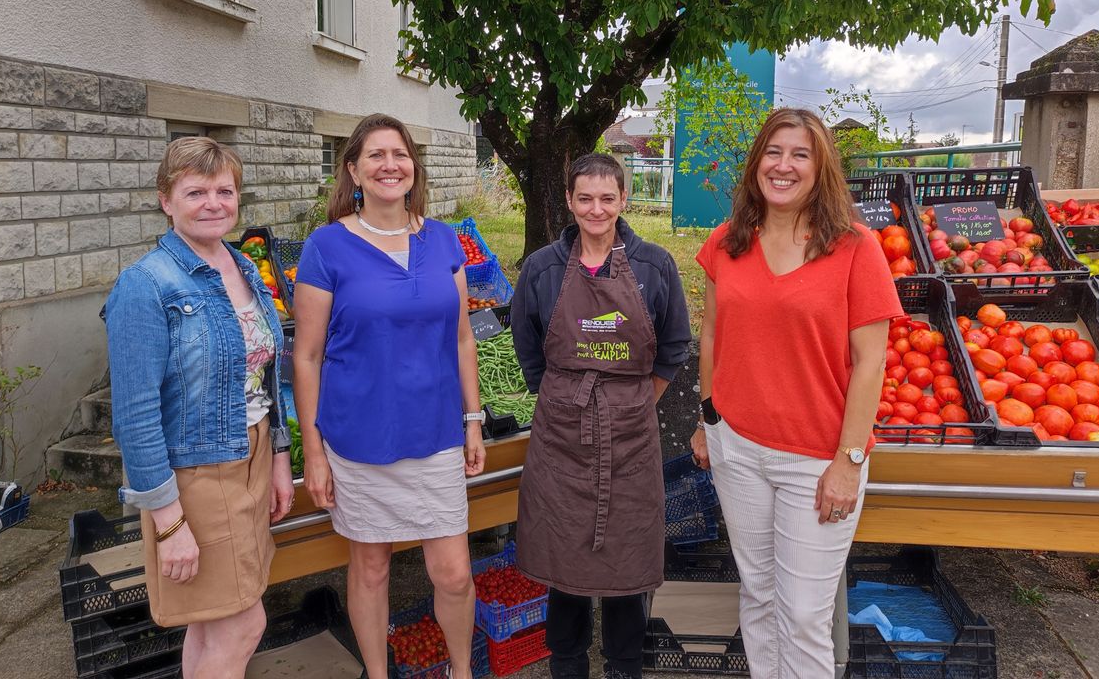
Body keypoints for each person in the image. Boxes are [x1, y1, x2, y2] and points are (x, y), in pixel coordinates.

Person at [689, 108, 902, 679]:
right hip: (737, 448)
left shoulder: (854, 247)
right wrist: (707, 415)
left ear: (820, 168)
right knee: (757, 595)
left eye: (800, 155)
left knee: (805, 615)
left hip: (816, 458)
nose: (784, 166)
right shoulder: (727, 244)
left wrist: (850, 461)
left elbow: (870, 361)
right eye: (774, 152)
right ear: (758, 161)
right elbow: (711, 333)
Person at [291, 113, 486, 679]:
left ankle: (460, 670)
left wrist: (473, 419)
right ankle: (378, 674)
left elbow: (462, 338)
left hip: (436, 433)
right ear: (353, 169)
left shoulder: (443, 239)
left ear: (413, 166)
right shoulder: (326, 248)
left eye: (399, 154)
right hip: (358, 436)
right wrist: (315, 450)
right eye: (375, 155)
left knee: (452, 572)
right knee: (371, 567)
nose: (389, 165)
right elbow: (306, 356)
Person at [104, 136, 295, 679]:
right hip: (198, 473)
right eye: (196, 191)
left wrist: (279, 457)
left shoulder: (244, 269)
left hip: (252, 456)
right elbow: (134, 415)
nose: (214, 202)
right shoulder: (145, 286)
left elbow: (265, 375)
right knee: (243, 625)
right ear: (166, 200)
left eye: (224, 190)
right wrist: (168, 522)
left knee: (210, 623)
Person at [511, 153, 692, 679]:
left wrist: (634, 401)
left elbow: (675, 344)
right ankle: (567, 666)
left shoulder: (654, 266)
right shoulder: (542, 268)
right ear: (568, 201)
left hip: (631, 438)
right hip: (560, 440)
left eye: (607, 198)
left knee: (627, 566)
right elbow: (528, 349)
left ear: (623, 201)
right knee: (562, 566)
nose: (596, 209)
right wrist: (566, 400)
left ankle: (623, 667)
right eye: (585, 198)